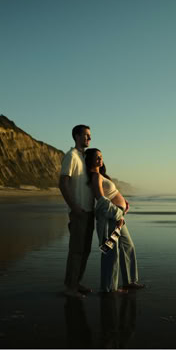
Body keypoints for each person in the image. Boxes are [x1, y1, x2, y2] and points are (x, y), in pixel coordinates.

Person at [85, 148, 144, 293]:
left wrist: (124, 203)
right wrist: (118, 214)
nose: (100, 159)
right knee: (111, 252)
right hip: (112, 219)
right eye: (96, 157)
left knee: (127, 246)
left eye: (101, 157)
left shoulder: (102, 175)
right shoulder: (95, 177)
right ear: (90, 160)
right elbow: (101, 200)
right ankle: (109, 288)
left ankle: (129, 281)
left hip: (118, 217)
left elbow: (112, 193)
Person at [59, 125, 94, 298]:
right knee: (76, 251)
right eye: (86, 135)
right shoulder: (71, 156)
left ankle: (76, 282)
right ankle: (69, 288)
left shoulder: (85, 158)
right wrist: (74, 208)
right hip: (79, 211)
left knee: (85, 250)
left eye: (89, 136)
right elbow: (63, 183)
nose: (89, 139)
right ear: (76, 136)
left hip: (89, 211)